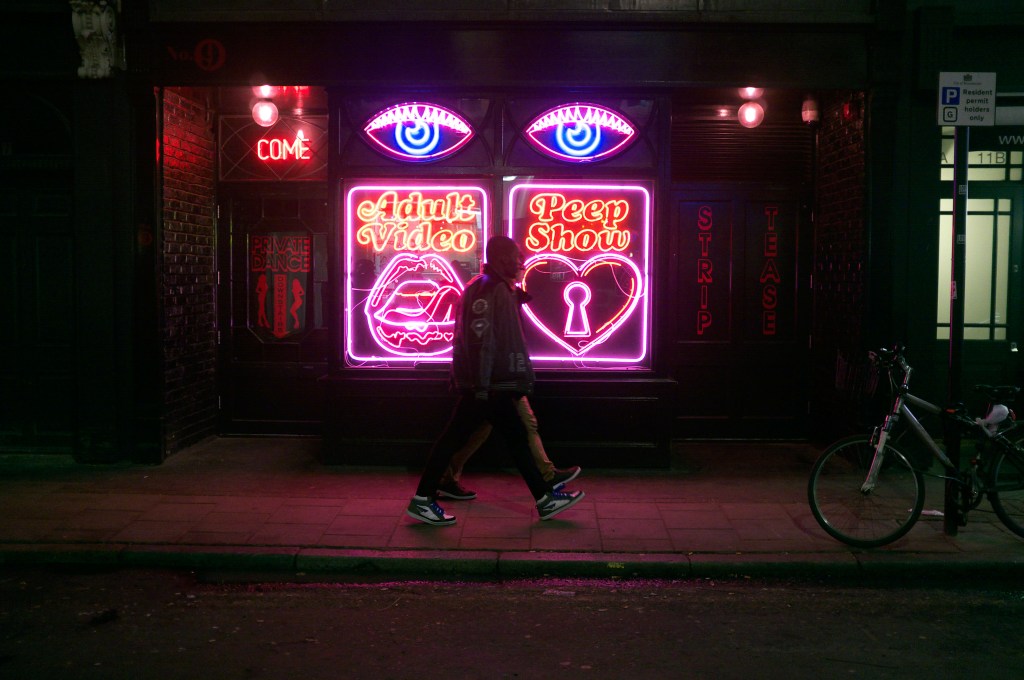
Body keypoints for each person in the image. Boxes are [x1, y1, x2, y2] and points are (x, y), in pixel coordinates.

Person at [406, 236, 585, 525]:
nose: (521, 260)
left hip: (489, 383)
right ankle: (423, 498)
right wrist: (481, 385)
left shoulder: (491, 287)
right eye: (516, 256)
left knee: (493, 437)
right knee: (492, 439)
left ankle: (544, 496)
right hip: (490, 384)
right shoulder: (491, 290)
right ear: (502, 259)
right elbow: (483, 340)